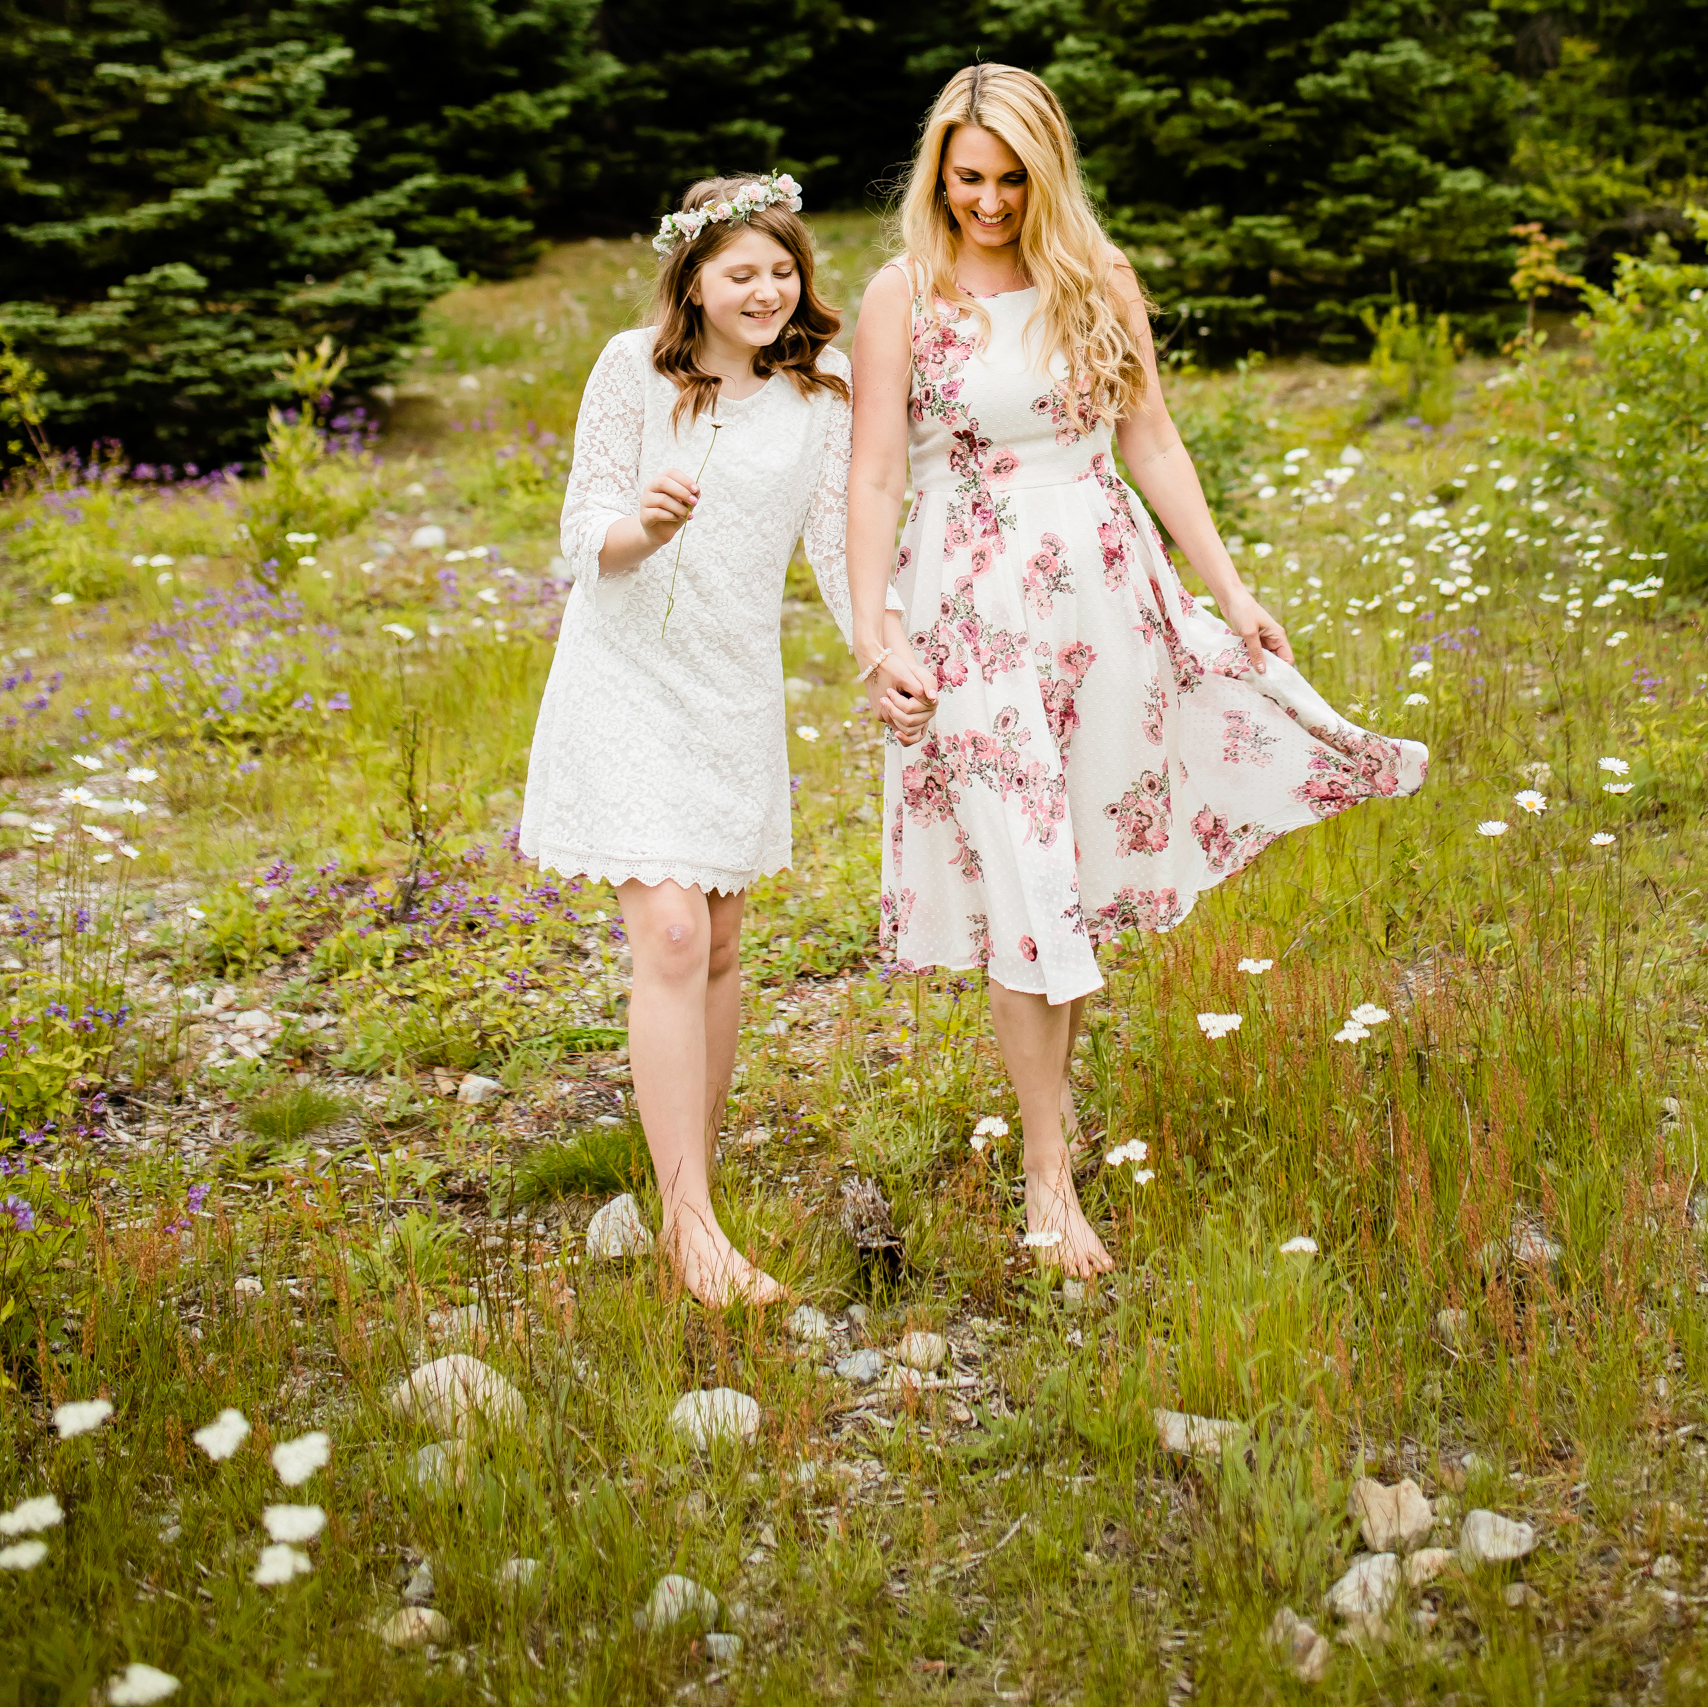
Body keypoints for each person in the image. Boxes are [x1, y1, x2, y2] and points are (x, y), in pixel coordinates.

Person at [847, 66, 1428, 1278]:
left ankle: (1049, 1149)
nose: (990, 203)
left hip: (1104, 600)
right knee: (1020, 880)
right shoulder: (904, 293)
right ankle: (1048, 1183)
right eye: (967, 180)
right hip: (968, 613)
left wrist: (1232, 591)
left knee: (1068, 876)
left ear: (1047, 173)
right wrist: (878, 634)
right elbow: (873, 479)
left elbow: (1148, 437)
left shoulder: (1095, 282)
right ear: (935, 174)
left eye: (1012, 180)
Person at [520, 172, 896, 1305]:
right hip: (624, 675)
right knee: (674, 938)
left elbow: (839, 546)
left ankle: (690, 1171)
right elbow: (580, 529)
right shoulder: (630, 369)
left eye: (783, 273)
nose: (768, 292)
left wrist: (880, 655)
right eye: (743, 274)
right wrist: (641, 525)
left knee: (723, 946)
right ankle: (689, 1227)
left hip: (732, 688)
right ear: (691, 278)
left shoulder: (821, 388)